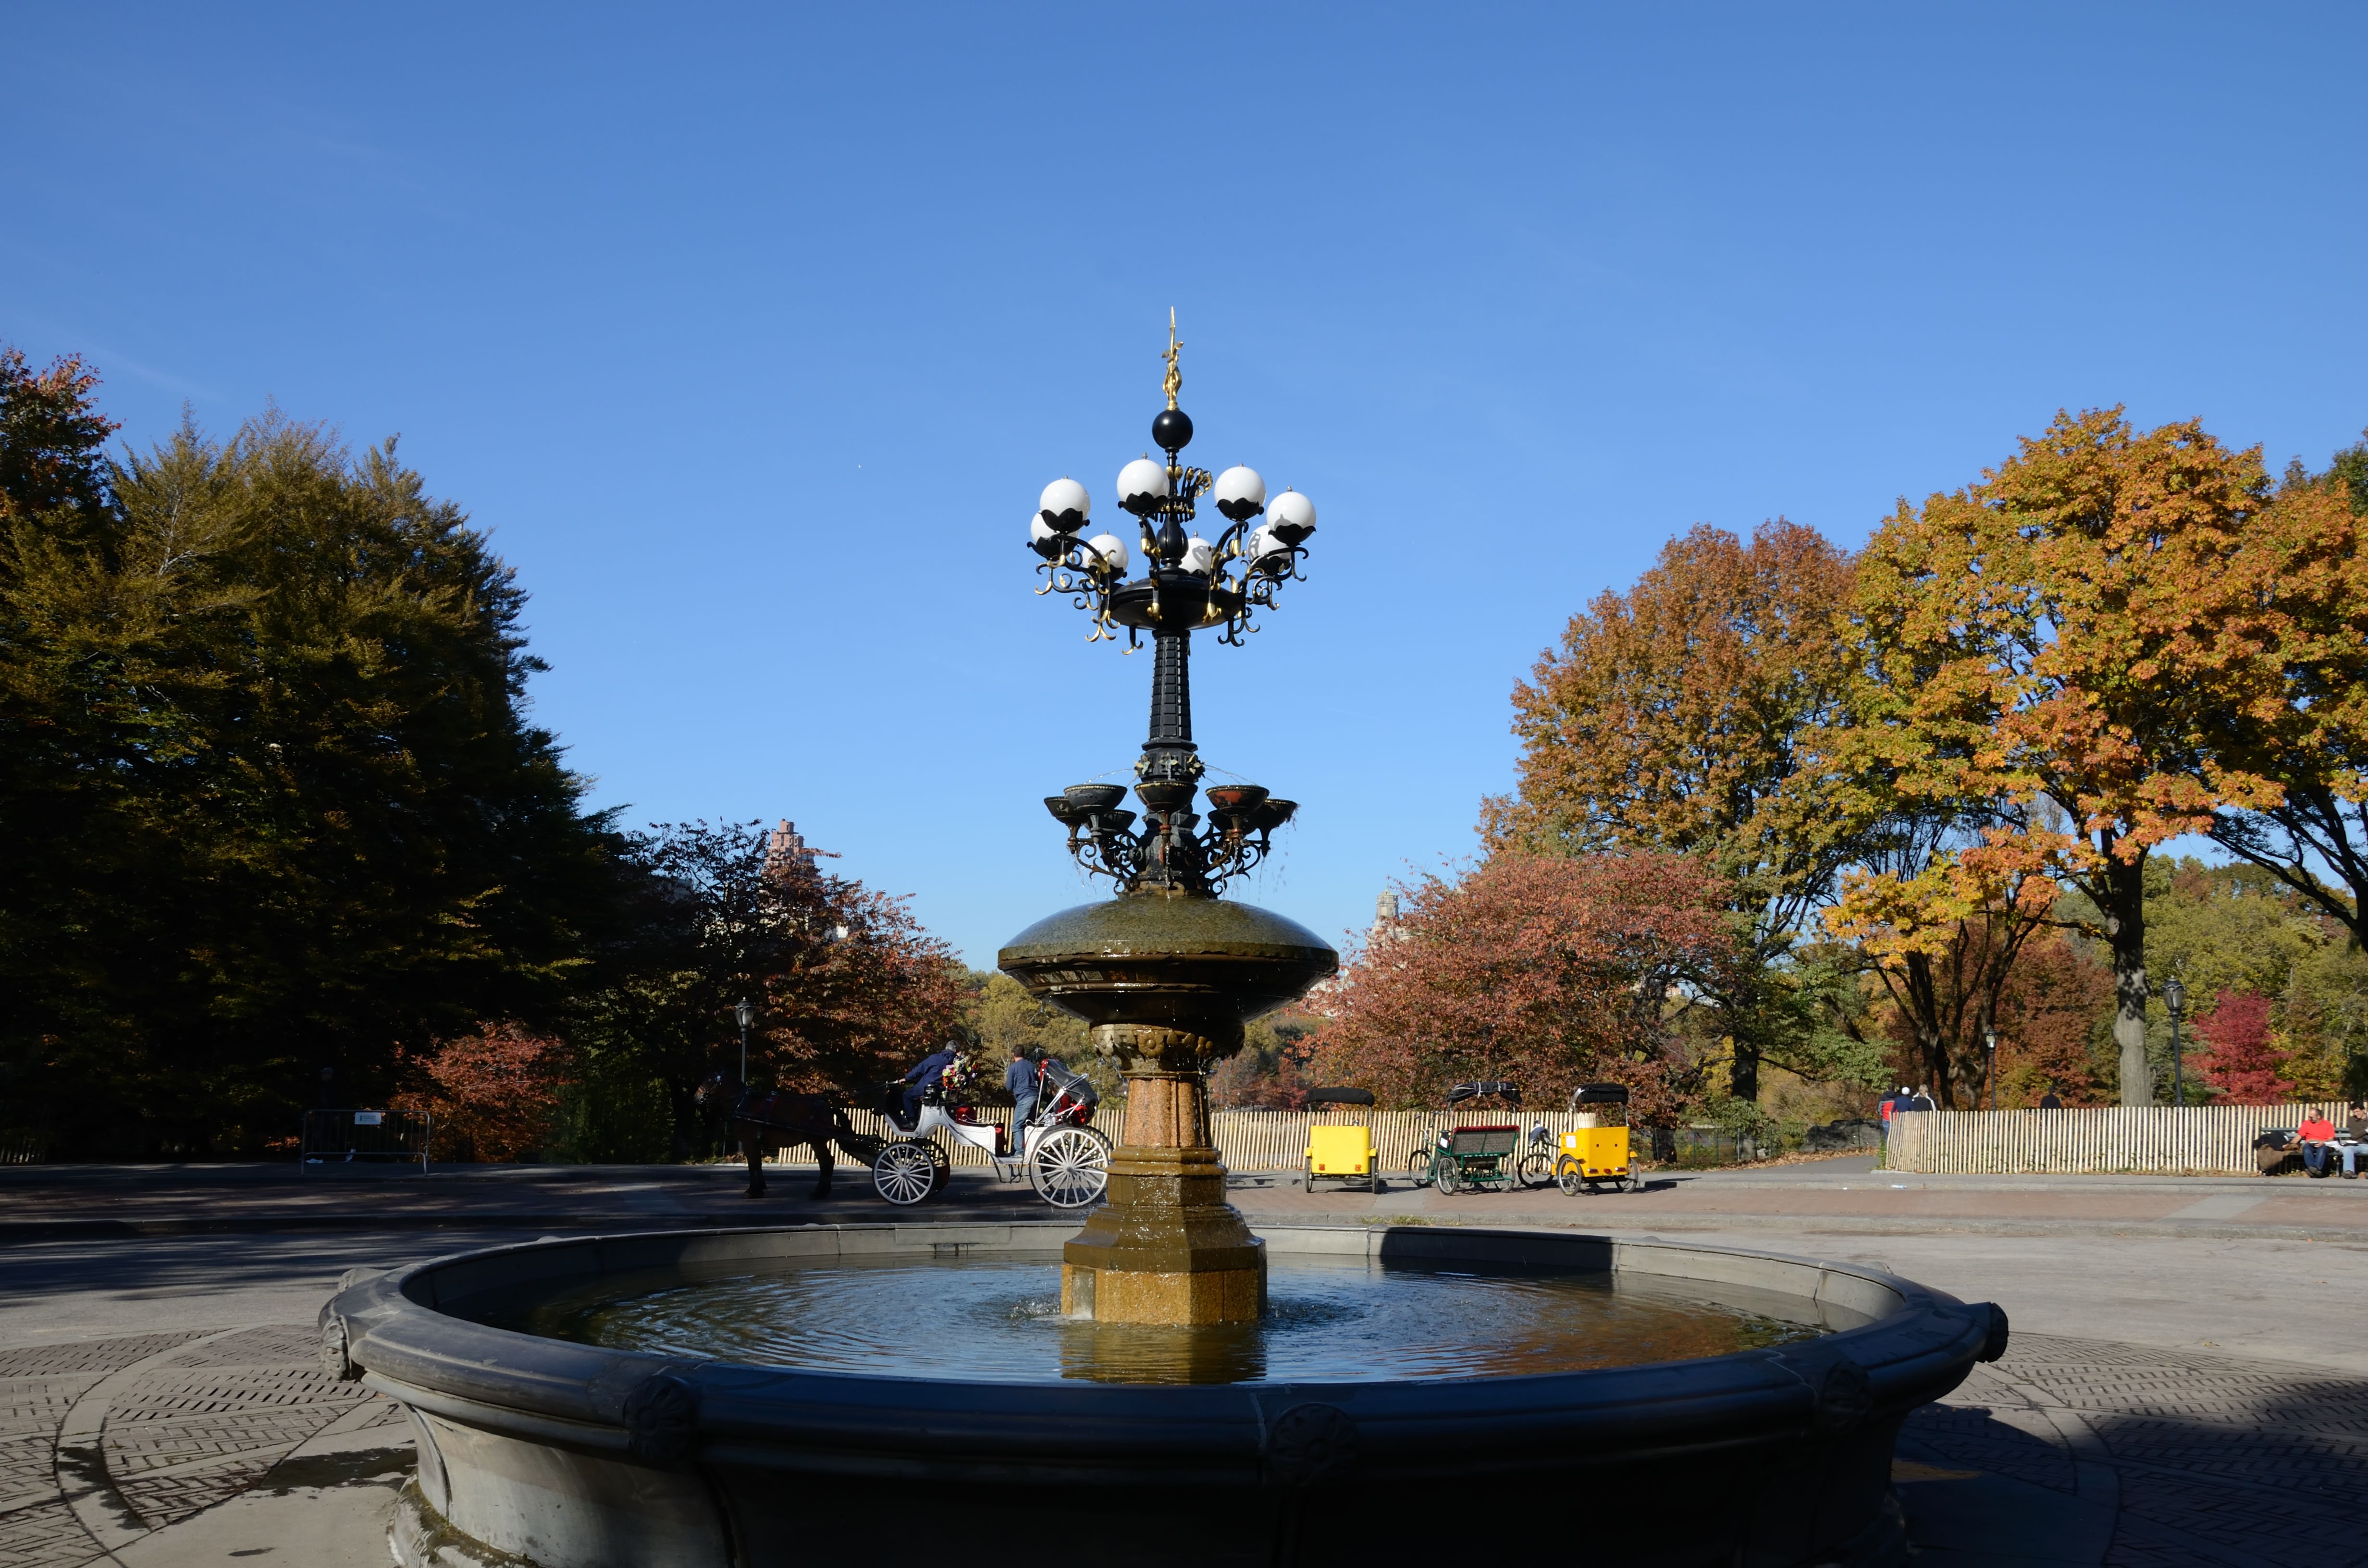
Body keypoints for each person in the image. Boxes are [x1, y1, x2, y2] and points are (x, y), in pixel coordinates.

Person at [898, 1039, 962, 1128]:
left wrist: (907, 1078)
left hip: (928, 1086)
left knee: (907, 1096)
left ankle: (911, 1122)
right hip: (942, 1090)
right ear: (955, 1051)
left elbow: (919, 1069)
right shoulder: (957, 1064)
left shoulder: (935, 1058)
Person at [1005, 1046, 1040, 1155]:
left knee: (1017, 1125)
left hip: (1024, 1098)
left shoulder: (1013, 1067)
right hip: (1035, 1097)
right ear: (1024, 1054)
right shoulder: (1032, 1066)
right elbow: (1038, 1081)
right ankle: (1024, 1149)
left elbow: (1009, 1086)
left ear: (1013, 1054)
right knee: (1029, 1125)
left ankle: (1020, 1152)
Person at [2298, 1109, 2338, 1176]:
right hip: (2310, 1143)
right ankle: (2314, 1169)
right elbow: (2299, 1136)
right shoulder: (2307, 1123)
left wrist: (2323, 1142)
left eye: (2311, 1117)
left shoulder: (2328, 1124)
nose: (2309, 1119)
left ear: (2319, 1117)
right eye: (2309, 1117)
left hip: (2323, 1144)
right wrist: (2291, 1144)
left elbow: (2331, 1139)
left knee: (2322, 1150)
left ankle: (2315, 1170)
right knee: (2306, 1149)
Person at [2339, 1102, 2368, 1179]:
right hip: (2359, 1145)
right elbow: (2354, 1136)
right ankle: (2349, 1172)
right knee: (2348, 1149)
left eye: (2358, 1112)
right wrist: (2366, 1131)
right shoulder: (2352, 1120)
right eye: (2354, 1112)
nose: (2356, 1114)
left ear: (2363, 1110)